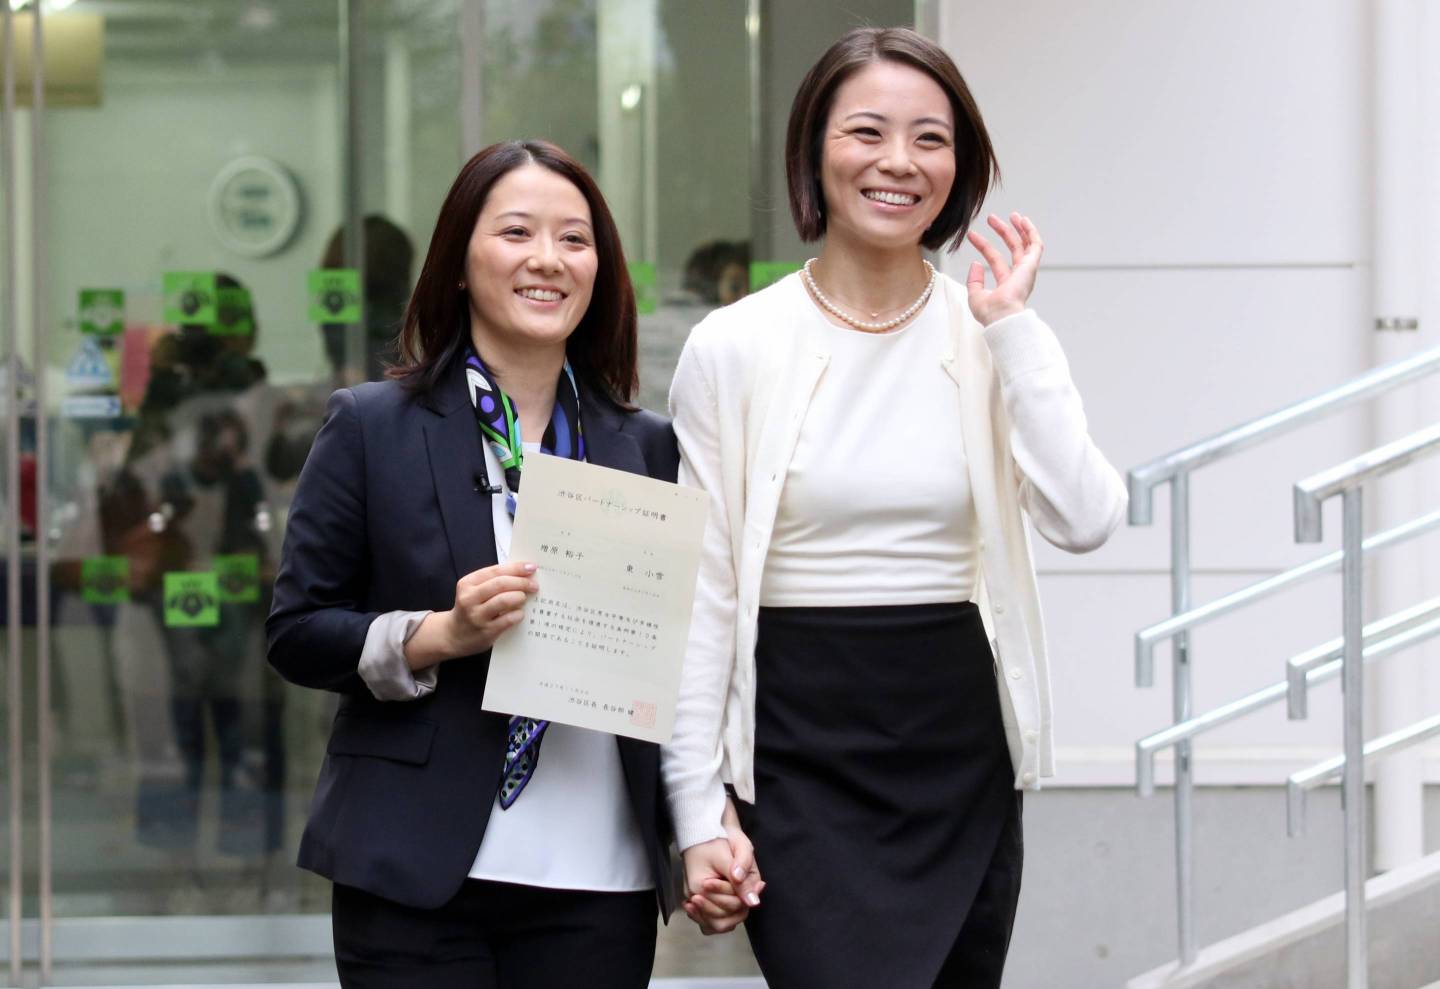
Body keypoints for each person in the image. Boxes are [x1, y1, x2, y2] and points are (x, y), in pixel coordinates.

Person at [662, 27, 1127, 989]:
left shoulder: (992, 333)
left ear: (960, 167)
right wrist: (697, 811)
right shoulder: (733, 346)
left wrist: (1016, 335)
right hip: (797, 746)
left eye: (931, 139)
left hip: (956, 744)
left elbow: (1085, 517)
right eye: (867, 131)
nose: (899, 162)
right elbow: (700, 597)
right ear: (814, 151)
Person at [267, 140, 685, 988]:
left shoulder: (647, 448)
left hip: (597, 875)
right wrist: (437, 634)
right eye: (517, 232)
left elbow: (687, 655)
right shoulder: (371, 426)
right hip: (414, 870)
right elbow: (297, 630)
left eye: (575, 239)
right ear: (459, 262)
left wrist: (707, 823)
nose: (548, 259)